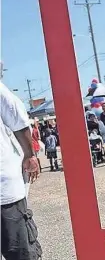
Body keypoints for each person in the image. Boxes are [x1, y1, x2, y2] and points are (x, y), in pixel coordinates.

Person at [1, 81, 42, 259]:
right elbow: (16, 116)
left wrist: (29, 155)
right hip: (5, 191)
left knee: (19, 252)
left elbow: (16, 117)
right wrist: (29, 155)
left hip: (4, 193)